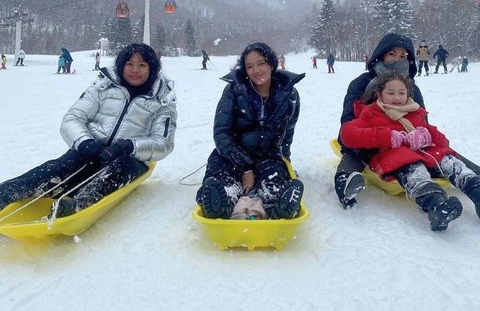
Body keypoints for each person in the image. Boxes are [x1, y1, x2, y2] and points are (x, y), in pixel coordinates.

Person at [0, 43, 177, 217]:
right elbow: (73, 118)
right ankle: (6, 193)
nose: (135, 70)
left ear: (151, 68)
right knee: (59, 168)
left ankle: (78, 205)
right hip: (92, 149)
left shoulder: (162, 99)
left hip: (130, 157)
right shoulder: (104, 86)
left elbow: (164, 142)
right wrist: (85, 142)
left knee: (122, 167)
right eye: (129, 64)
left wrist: (129, 146)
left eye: (142, 65)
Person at [334, 33, 480, 210]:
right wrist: (381, 139)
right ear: (381, 55)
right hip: (368, 141)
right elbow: (347, 127)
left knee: (443, 151)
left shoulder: (411, 87)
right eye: (392, 54)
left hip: (406, 142)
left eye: (403, 56)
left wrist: (421, 137)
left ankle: (474, 179)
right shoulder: (361, 83)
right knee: (353, 155)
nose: (398, 59)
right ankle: (345, 183)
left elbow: (422, 123)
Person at [340, 71, 480, 231]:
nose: (397, 98)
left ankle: (477, 191)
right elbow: (347, 134)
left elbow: (443, 141)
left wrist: (427, 135)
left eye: (402, 92)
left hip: (425, 155)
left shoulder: (414, 111)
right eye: (391, 93)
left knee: (448, 159)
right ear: (379, 94)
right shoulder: (371, 113)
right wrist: (387, 137)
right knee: (411, 166)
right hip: (397, 159)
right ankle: (436, 205)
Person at [196, 42, 305, 220]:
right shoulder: (233, 90)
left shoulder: (289, 94)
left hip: (268, 154)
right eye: (250, 66)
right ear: (244, 70)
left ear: (271, 63)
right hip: (233, 154)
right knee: (223, 178)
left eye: (261, 63)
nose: (256, 70)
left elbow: (288, 131)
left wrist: (286, 161)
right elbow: (221, 133)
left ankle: (279, 208)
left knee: (274, 181)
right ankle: (220, 207)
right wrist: (246, 168)